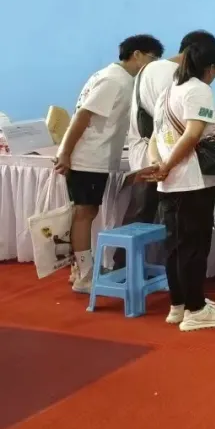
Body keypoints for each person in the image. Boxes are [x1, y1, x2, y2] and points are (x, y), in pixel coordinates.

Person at [55, 34, 164, 292]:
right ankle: (84, 275)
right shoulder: (114, 80)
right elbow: (82, 116)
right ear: (136, 54)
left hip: (97, 157)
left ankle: (79, 269)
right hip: (88, 158)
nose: (153, 65)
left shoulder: (120, 78)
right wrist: (65, 152)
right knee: (84, 213)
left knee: (86, 213)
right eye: (152, 59)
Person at [146, 36, 215, 331]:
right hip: (191, 181)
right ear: (211, 67)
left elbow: (154, 138)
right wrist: (168, 165)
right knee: (194, 247)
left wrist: (160, 165)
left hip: (169, 182)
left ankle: (179, 304)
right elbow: (193, 134)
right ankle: (195, 310)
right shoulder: (199, 90)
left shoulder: (168, 91)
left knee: (175, 246)